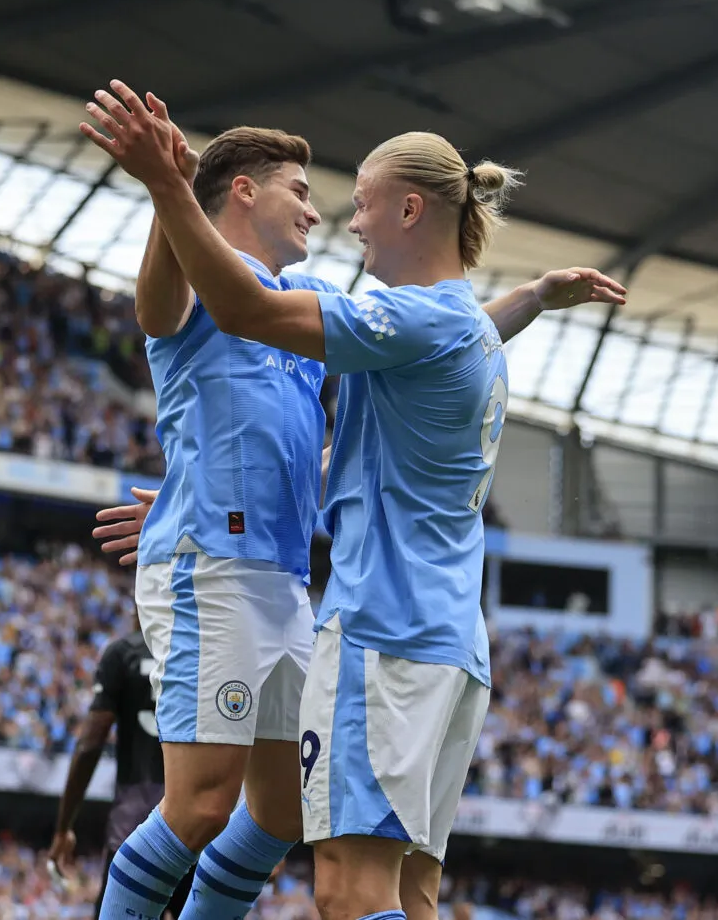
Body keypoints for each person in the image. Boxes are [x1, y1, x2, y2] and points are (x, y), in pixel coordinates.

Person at [81, 82, 625, 920]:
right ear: (243, 192)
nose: (338, 217)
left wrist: (167, 183)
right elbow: (170, 314)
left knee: (322, 856)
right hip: (383, 615)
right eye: (307, 192)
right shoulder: (434, 325)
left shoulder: (365, 318)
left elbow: (277, 318)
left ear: (410, 209)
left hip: (371, 620)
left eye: (358, 202)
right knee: (257, 823)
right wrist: (200, 491)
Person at [49, 627, 191, 920]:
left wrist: (64, 827)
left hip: (134, 824)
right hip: (193, 826)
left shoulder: (123, 652)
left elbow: (90, 744)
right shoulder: (199, 650)